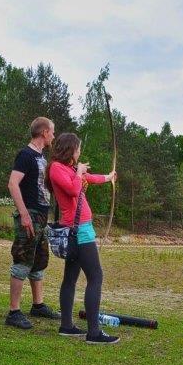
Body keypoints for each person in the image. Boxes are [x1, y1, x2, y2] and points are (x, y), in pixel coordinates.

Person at [47, 132, 119, 344]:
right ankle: (94, 332)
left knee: (70, 278)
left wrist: (108, 177)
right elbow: (73, 189)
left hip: (78, 230)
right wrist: (78, 172)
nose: (79, 152)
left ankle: (67, 326)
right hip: (78, 231)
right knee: (95, 277)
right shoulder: (56, 168)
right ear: (70, 149)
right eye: (77, 148)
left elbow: (89, 178)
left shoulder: (68, 169)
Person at [5, 117, 60, 329]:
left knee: (38, 260)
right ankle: (14, 311)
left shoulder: (42, 157)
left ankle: (38, 305)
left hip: (41, 217)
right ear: (44, 132)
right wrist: (24, 213)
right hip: (30, 215)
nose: (53, 136)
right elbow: (13, 183)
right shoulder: (26, 154)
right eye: (52, 132)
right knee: (22, 260)